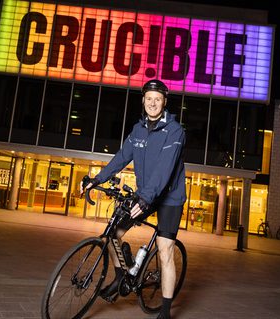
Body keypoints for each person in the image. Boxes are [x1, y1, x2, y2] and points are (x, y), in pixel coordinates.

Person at [81, 79, 186, 319]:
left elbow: (164, 169)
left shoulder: (175, 130)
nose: (152, 103)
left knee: (164, 248)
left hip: (170, 197)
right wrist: (97, 179)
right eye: (148, 98)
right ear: (143, 100)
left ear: (164, 102)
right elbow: (121, 158)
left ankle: (166, 312)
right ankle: (121, 278)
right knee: (114, 232)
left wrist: (146, 199)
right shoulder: (138, 130)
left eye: (157, 99)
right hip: (146, 192)